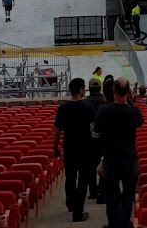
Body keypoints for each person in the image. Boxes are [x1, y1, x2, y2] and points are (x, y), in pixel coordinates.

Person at [93, 77, 144, 228]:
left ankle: (114, 225)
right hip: (129, 161)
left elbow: (95, 137)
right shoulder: (134, 111)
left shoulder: (103, 111)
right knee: (128, 197)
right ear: (129, 92)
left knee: (112, 198)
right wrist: (131, 101)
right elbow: (140, 123)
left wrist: (100, 160)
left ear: (113, 91)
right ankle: (122, 225)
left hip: (110, 161)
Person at [54, 77, 95, 223]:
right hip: (85, 148)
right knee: (83, 180)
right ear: (80, 90)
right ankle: (78, 212)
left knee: (70, 178)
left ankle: (71, 202)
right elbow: (94, 129)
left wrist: (55, 146)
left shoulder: (63, 108)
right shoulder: (88, 108)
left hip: (69, 148)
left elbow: (57, 129)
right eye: (84, 88)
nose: (85, 90)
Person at [85, 80, 107, 205]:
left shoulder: (85, 103)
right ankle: (101, 191)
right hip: (103, 140)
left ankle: (93, 191)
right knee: (104, 165)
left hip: (89, 140)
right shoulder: (105, 103)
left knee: (91, 167)